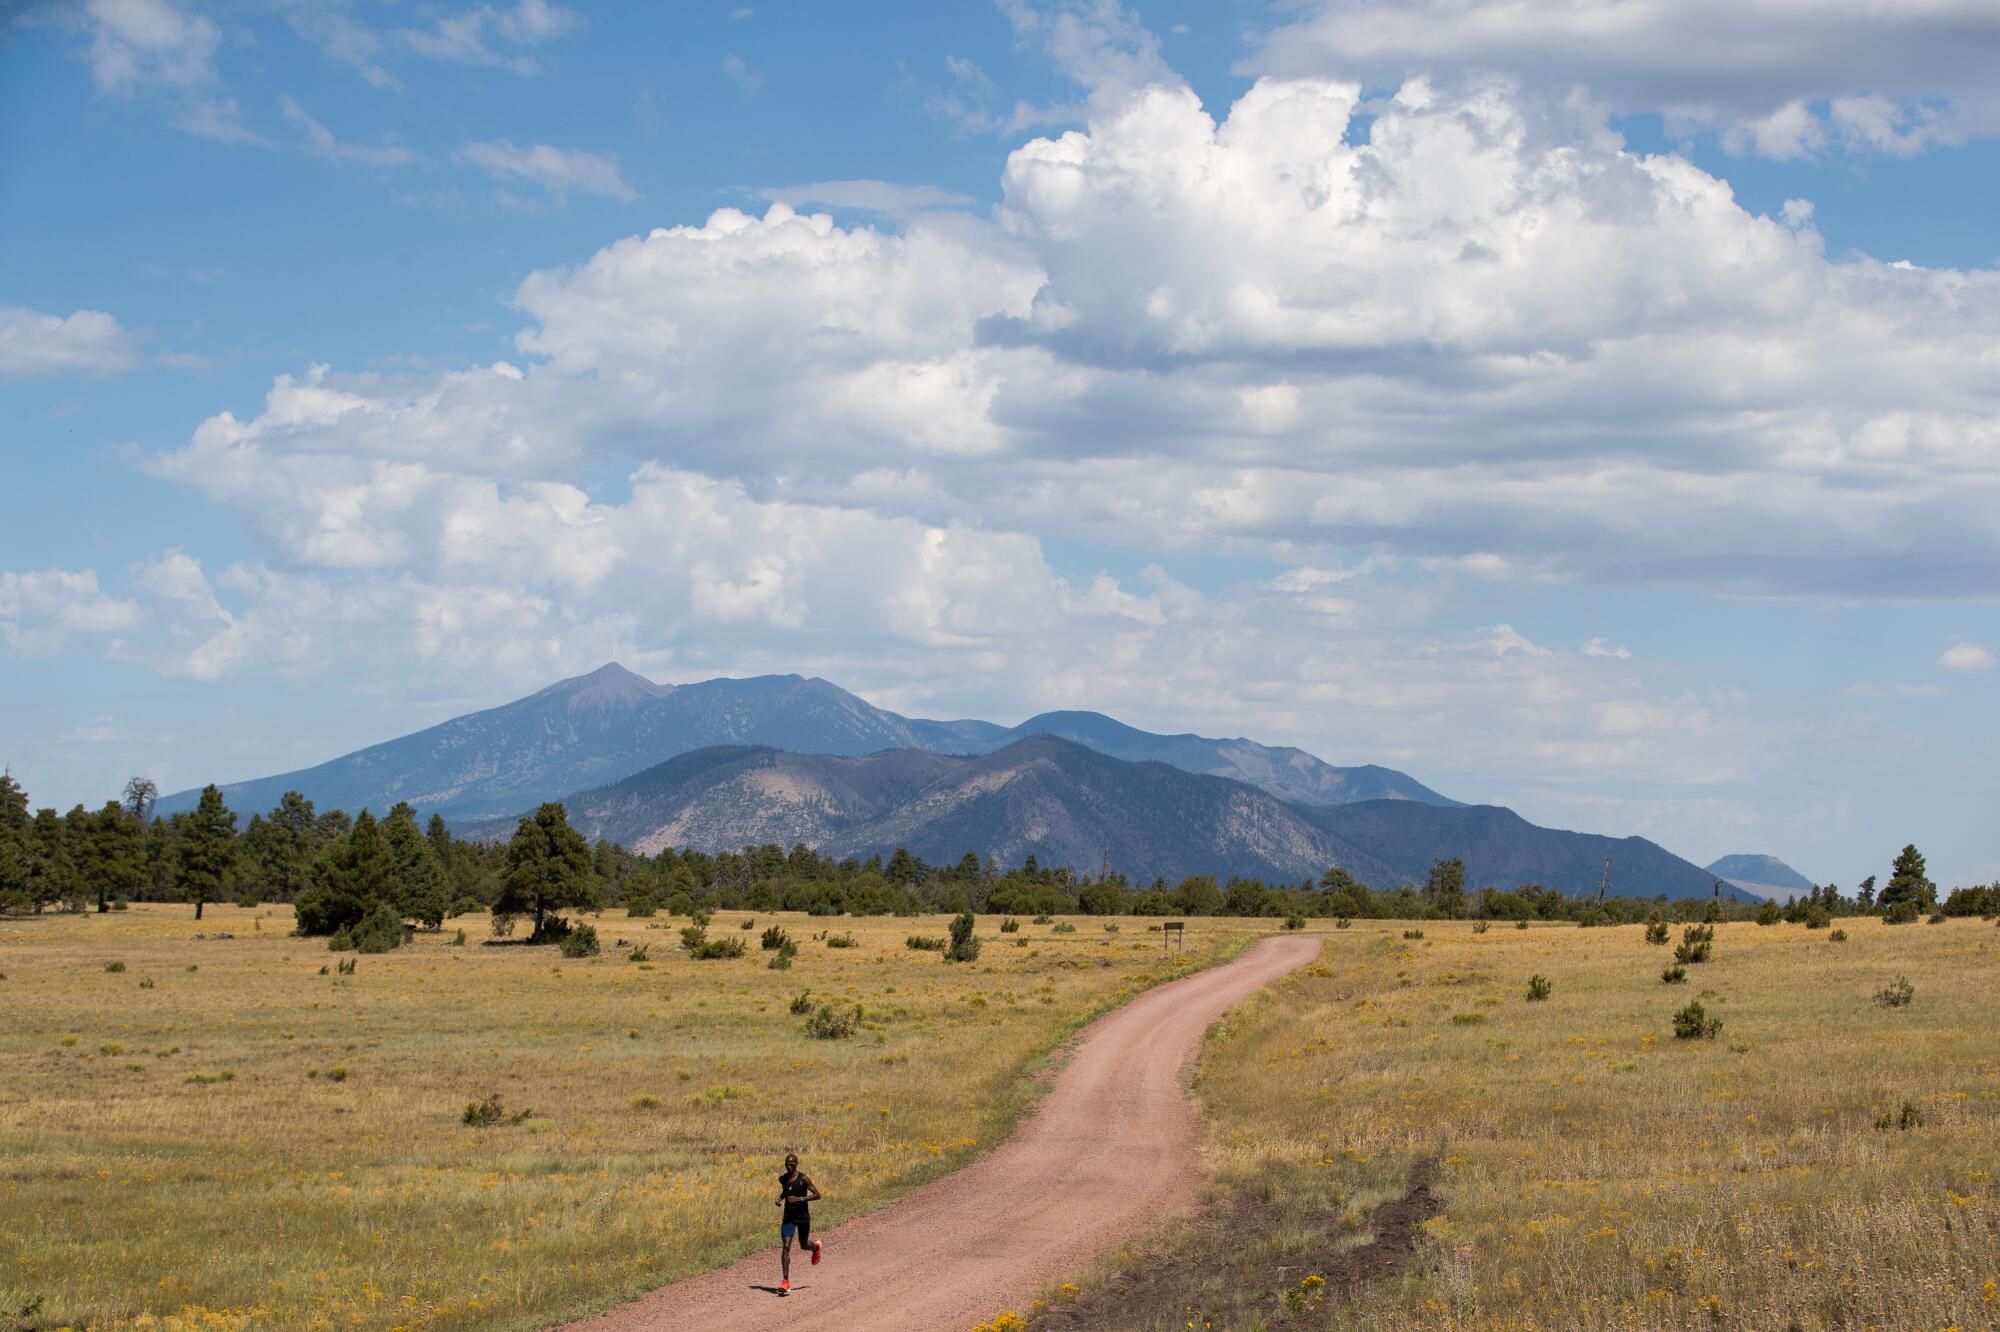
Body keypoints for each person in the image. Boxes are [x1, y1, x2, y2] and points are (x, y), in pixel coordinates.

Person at [776, 1152, 823, 1292]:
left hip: (802, 1217)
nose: (789, 1167)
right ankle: (785, 1281)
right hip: (788, 1218)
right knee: (786, 1246)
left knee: (803, 1245)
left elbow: (817, 1195)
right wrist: (780, 1198)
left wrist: (800, 1199)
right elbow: (786, 1191)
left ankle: (816, 1248)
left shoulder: (803, 1179)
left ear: (796, 1164)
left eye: (791, 1165)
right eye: (787, 1165)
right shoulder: (783, 1179)